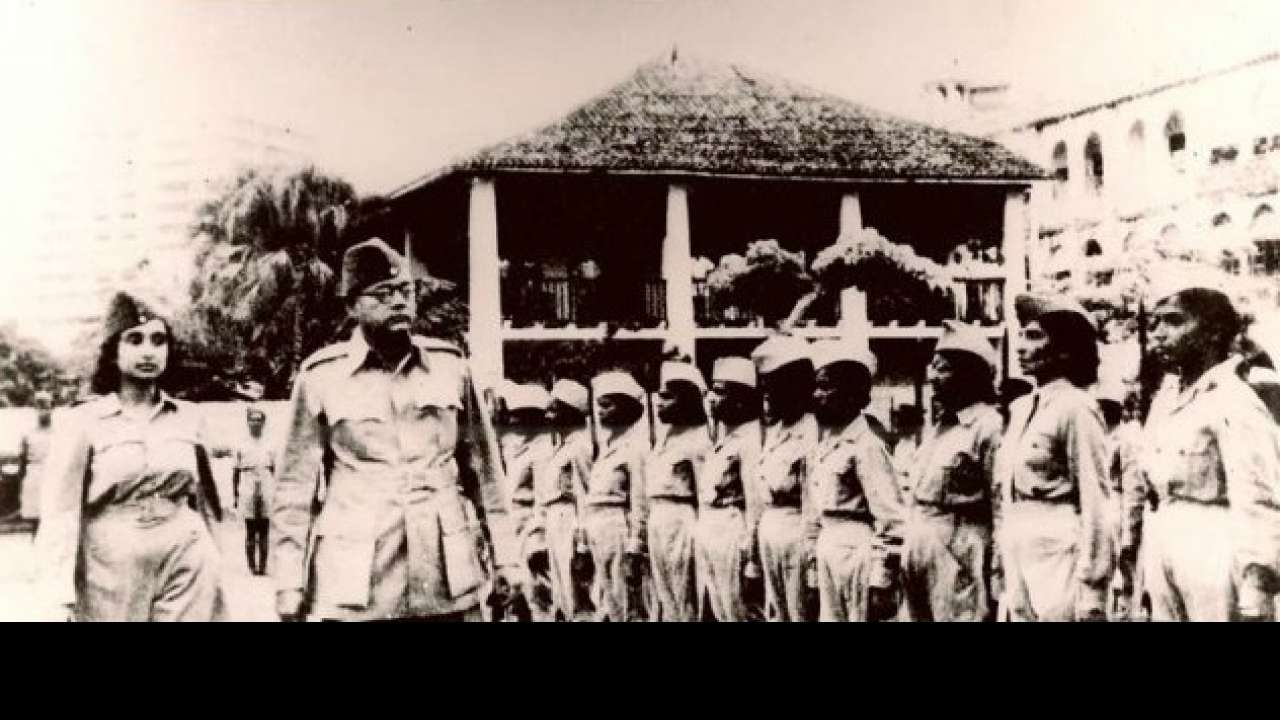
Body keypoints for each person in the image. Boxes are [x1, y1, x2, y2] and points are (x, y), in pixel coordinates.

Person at [272, 238, 516, 622]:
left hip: (445, 577)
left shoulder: (450, 366)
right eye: (382, 294)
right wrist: (288, 583)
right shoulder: (322, 377)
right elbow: (293, 489)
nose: (399, 302)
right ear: (352, 305)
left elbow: (485, 473)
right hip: (358, 582)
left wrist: (507, 559)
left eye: (406, 291)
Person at [35, 291, 224, 621]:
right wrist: (58, 595)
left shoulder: (190, 417)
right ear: (112, 352)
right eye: (134, 340)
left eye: (158, 340)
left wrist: (217, 564)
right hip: (109, 570)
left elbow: (208, 504)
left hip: (186, 557)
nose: (148, 351)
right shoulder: (81, 421)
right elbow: (60, 514)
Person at [1137, 269, 1280, 621]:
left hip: (1214, 544)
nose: (1158, 334)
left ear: (1214, 331)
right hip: (1165, 536)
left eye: (1173, 322)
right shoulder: (1166, 398)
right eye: (1155, 323)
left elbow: (1258, 496)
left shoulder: (1234, 399)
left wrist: (1258, 584)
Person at [994, 293, 1113, 622]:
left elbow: (1096, 499)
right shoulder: (1021, 409)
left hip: (1058, 544)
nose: (1021, 347)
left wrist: (1094, 589)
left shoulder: (1077, 407)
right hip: (1019, 542)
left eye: (1034, 336)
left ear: (1064, 349)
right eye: (1022, 335)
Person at [901, 321, 1003, 622]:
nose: (933, 377)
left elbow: (999, 504)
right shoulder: (939, 429)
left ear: (969, 374)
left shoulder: (988, 426)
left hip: (960, 545)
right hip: (920, 539)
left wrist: (997, 567)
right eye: (932, 367)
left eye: (943, 368)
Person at [806, 338, 905, 621]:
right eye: (816, 386)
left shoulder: (867, 445)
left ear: (851, 394)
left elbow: (890, 518)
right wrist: (813, 572)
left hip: (857, 550)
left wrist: (881, 579)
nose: (816, 395)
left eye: (825, 387)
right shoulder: (825, 444)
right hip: (828, 547)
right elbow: (815, 514)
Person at [750, 335, 819, 621]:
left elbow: (813, 504)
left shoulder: (813, 432)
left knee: (800, 612)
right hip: (771, 533)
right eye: (764, 387)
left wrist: (813, 564)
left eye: (773, 388)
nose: (766, 396)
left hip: (797, 535)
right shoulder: (775, 432)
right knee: (778, 614)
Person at [696, 357, 763, 622]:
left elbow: (755, 504)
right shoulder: (723, 441)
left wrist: (752, 558)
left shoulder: (750, 441)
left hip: (734, 531)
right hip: (712, 530)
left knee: (739, 609)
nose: (712, 398)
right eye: (713, 390)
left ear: (741, 399)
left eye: (721, 391)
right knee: (720, 607)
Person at [645, 361, 710, 621]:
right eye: (659, 395)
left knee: (685, 593)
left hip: (682, 519)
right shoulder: (663, 440)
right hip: (658, 518)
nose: (659, 403)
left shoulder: (698, 442)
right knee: (664, 595)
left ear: (685, 401)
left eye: (667, 397)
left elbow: (704, 494)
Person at [585, 370, 649, 621]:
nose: (600, 412)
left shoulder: (636, 447)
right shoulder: (606, 448)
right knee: (606, 600)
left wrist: (636, 544)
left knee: (626, 602)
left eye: (607, 406)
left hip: (618, 529)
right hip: (598, 528)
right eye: (598, 406)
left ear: (624, 408)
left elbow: (640, 500)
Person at [531, 379, 594, 621]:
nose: (548, 415)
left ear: (571, 412)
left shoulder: (580, 448)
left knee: (576, 595)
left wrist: (582, 545)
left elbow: (585, 495)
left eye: (555, 409)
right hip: (555, 522)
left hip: (571, 523)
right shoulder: (561, 448)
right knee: (561, 595)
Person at [497, 382, 556, 619]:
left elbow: (543, 499)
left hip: (531, 530)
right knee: (514, 595)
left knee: (537, 593)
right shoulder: (514, 446)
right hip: (513, 525)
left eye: (520, 416)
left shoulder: (542, 451)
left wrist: (538, 540)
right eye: (513, 415)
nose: (513, 421)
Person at [233, 406, 276, 576]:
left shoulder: (270, 444)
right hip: (247, 485)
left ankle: (263, 566)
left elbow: (275, 469)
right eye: (252, 420)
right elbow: (235, 471)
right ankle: (252, 566)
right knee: (250, 529)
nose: (255, 423)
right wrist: (235, 495)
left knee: (264, 528)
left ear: (264, 423)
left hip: (266, 485)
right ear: (247, 422)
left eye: (259, 420)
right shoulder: (241, 444)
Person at [18, 390, 55, 523]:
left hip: (53, 477)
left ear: (52, 408)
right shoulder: (28, 433)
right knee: (36, 520)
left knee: (52, 519)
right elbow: (22, 462)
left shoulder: (59, 433)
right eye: (38, 407)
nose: (42, 411)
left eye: (45, 406)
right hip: (34, 478)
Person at [890, 405, 924, 501]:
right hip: (900, 491)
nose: (896, 427)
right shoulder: (900, 444)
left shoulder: (917, 444)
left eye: (900, 423)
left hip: (912, 492)